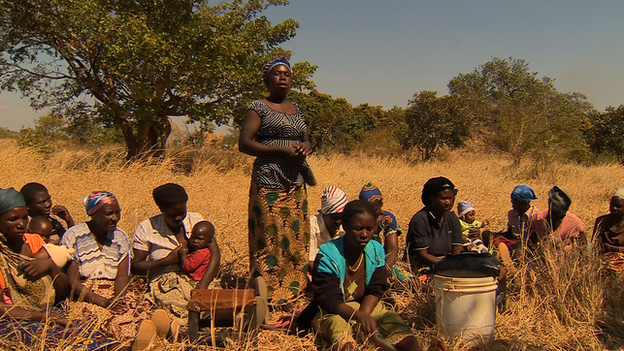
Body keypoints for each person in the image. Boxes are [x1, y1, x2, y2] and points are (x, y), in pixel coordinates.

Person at [0, 188, 122, 350]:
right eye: (13, 219)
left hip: (50, 309)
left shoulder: (35, 241)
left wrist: (51, 266)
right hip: (15, 320)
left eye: (24, 218)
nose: (21, 224)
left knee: (95, 336)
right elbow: (2, 309)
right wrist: (44, 317)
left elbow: (64, 291)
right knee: (61, 341)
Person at [309, 200, 437, 351]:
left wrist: (363, 315)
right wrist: (357, 317)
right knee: (340, 330)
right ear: (345, 227)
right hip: (334, 310)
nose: (364, 234)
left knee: (394, 323)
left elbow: (376, 288)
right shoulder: (328, 255)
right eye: (358, 229)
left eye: (369, 229)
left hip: (367, 305)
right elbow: (329, 299)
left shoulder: (376, 250)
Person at [239, 54, 315, 305]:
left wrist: (306, 147)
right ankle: (268, 293)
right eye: (277, 73)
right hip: (268, 181)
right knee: (270, 236)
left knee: (296, 236)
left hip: (295, 182)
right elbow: (245, 143)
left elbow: (306, 138)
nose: (283, 77)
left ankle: (295, 289)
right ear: (267, 79)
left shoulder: (296, 108)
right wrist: (280, 150)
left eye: (287, 74)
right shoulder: (258, 107)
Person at [61, 191, 155, 346]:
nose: (115, 218)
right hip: (86, 294)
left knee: (133, 313)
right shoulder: (74, 236)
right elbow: (73, 282)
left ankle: (148, 335)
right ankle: (137, 342)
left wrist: (118, 300)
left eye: (117, 213)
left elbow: (122, 276)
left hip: (115, 290)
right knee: (108, 319)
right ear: (94, 213)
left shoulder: (120, 237)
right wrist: (103, 302)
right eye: (109, 213)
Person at [131, 183, 220, 325]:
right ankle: (180, 329)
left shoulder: (195, 220)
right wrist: (167, 261)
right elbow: (135, 266)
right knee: (177, 305)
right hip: (165, 282)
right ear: (161, 209)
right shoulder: (147, 228)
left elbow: (215, 254)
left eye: (182, 213)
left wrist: (204, 283)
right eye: (173, 215)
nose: (179, 218)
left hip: (198, 277)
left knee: (217, 302)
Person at [404, 177, 464, 274]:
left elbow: (457, 246)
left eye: (450, 198)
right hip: (423, 265)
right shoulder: (420, 220)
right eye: (443, 199)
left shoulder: (452, 217)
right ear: (432, 199)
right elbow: (422, 255)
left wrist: (453, 263)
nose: (448, 202)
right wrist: (446, 265)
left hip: (447, 262)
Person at [308, 186, 348, 270]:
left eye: (342, 217)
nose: (339, 222)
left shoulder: (345, 228)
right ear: (324, 214)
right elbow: (310, 261)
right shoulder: (312, 225)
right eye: (335, 218)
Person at [593, 188, 624, 273]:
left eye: (618, 206)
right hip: (604, 260)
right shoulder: (601, 222)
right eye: (612, 205)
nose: (614, 208)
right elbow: (596, 245)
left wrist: (609, 247)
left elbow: (604, 246)